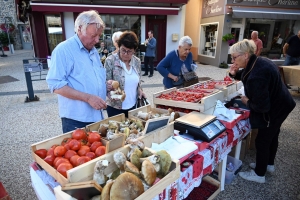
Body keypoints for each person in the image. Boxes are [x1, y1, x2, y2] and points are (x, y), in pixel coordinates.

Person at [228, 39, 295, 183]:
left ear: (245, 55)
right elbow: (246, 73)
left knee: (263, 140)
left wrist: (246, 101)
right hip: (283, 103)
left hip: (276, 108)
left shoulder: (257, 74)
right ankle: (268, 165)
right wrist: (234, 74)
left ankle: (259, 174)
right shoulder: (257, 61)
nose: (232, 61)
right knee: (273, 135)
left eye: (234, 57)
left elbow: (261, 107)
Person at [46, 10, 108, 133]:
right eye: (93, 36)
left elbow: (89, 78)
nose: (96, 40)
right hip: (76, 120)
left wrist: (106, 86)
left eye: (99, 36)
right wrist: (88, 98)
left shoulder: (93, 50)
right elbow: (55, 85)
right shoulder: (63, 50)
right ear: (79, 29)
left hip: (97, 116)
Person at [104, 31, 146, 118]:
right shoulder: (110, 60)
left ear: (134, 50)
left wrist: (140, 90)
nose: (126, 54)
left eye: (129, 51)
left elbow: (138, 81)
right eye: (123, 50)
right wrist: (108, 84)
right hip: (115, 108)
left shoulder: (137, 61)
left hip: (133, 106)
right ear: (119, 47)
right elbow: (104, 82)